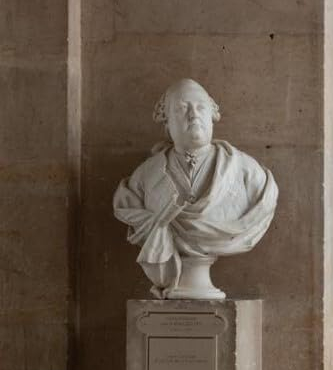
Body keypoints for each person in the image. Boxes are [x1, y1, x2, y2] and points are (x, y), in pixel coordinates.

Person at [113, 78, 278, 298]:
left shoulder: (248, 172)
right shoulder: (144, 177)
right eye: (182, 109)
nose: (193, 115)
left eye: (200, 107)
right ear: (167, 121)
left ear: (212, 115)